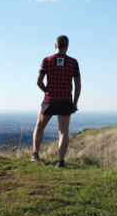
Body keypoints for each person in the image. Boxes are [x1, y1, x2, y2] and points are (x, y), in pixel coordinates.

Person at [31, 35, 81, 168]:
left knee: (40, 126)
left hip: (50, 99)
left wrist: (46, 90)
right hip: (65, 100)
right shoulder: (73, 62)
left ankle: (35, 154)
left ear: (55, 46)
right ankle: (61, 161)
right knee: (63, 131)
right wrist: (74, 102)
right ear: (67, 47)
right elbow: (78, 85)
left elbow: (38, 81)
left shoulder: (47, 60)